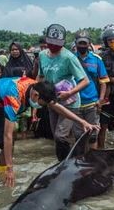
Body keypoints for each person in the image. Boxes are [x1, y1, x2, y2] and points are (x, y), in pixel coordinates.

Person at [36, 23, 91, 160]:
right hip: (52, 100)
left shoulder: (69, 57)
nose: (54, 46)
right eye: (51, 43)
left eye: (57, 44)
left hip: (69, 100)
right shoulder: (42, 55)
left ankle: (72, 162)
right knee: (57, 136)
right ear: (47, 41)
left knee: (61, 135)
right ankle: (63, 162)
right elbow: (40, 76)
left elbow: (85, 81)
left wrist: (70, 93)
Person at [74, 31, 108, 149]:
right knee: (78, 136)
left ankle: (92, 161)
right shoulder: (71, 59)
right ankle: (80, 161)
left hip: (92, 102)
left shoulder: (96, 59)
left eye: (85, 43)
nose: (82, 46)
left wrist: (101, 99)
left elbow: (103, 82)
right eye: (80, 43)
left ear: (89, 44)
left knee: (93, 135)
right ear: (76, 44)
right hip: (75, 103)